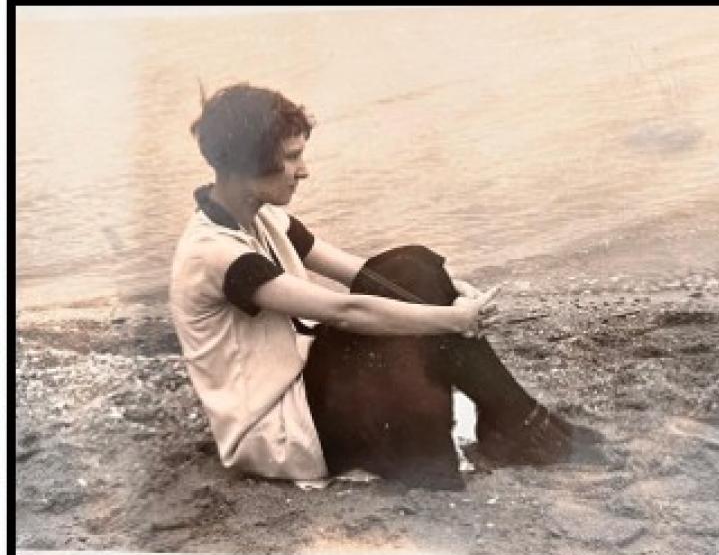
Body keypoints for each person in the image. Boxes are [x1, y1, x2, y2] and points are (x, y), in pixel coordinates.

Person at [170, 83, 582, 490]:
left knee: (414, 265)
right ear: (247, 163)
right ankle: (516, 424)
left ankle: (511, 423)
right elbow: (344, 312)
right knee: (415, 288)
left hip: (307, 390)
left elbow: (361, 274)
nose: (304, 171)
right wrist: (454, 319)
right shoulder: (214, 253)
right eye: (292, 157)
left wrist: (451, 289)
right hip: (280, 432)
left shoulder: (263, 217)